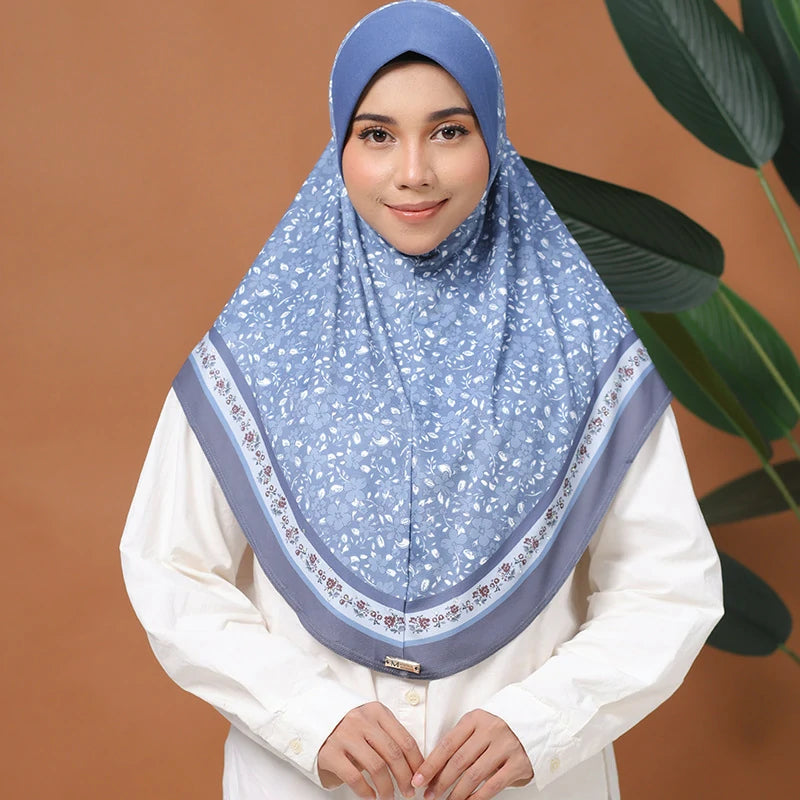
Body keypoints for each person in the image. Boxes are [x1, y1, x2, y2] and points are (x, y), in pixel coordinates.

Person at [120, 2, 723, 799]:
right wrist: (305, 714)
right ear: (339, 145)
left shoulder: (578, 342)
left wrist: (542, 721)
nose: (414, 171)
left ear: (493, 138)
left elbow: (668, 584)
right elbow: (169, 567)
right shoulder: (266, 338)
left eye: (448, 131)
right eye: (377, 135)